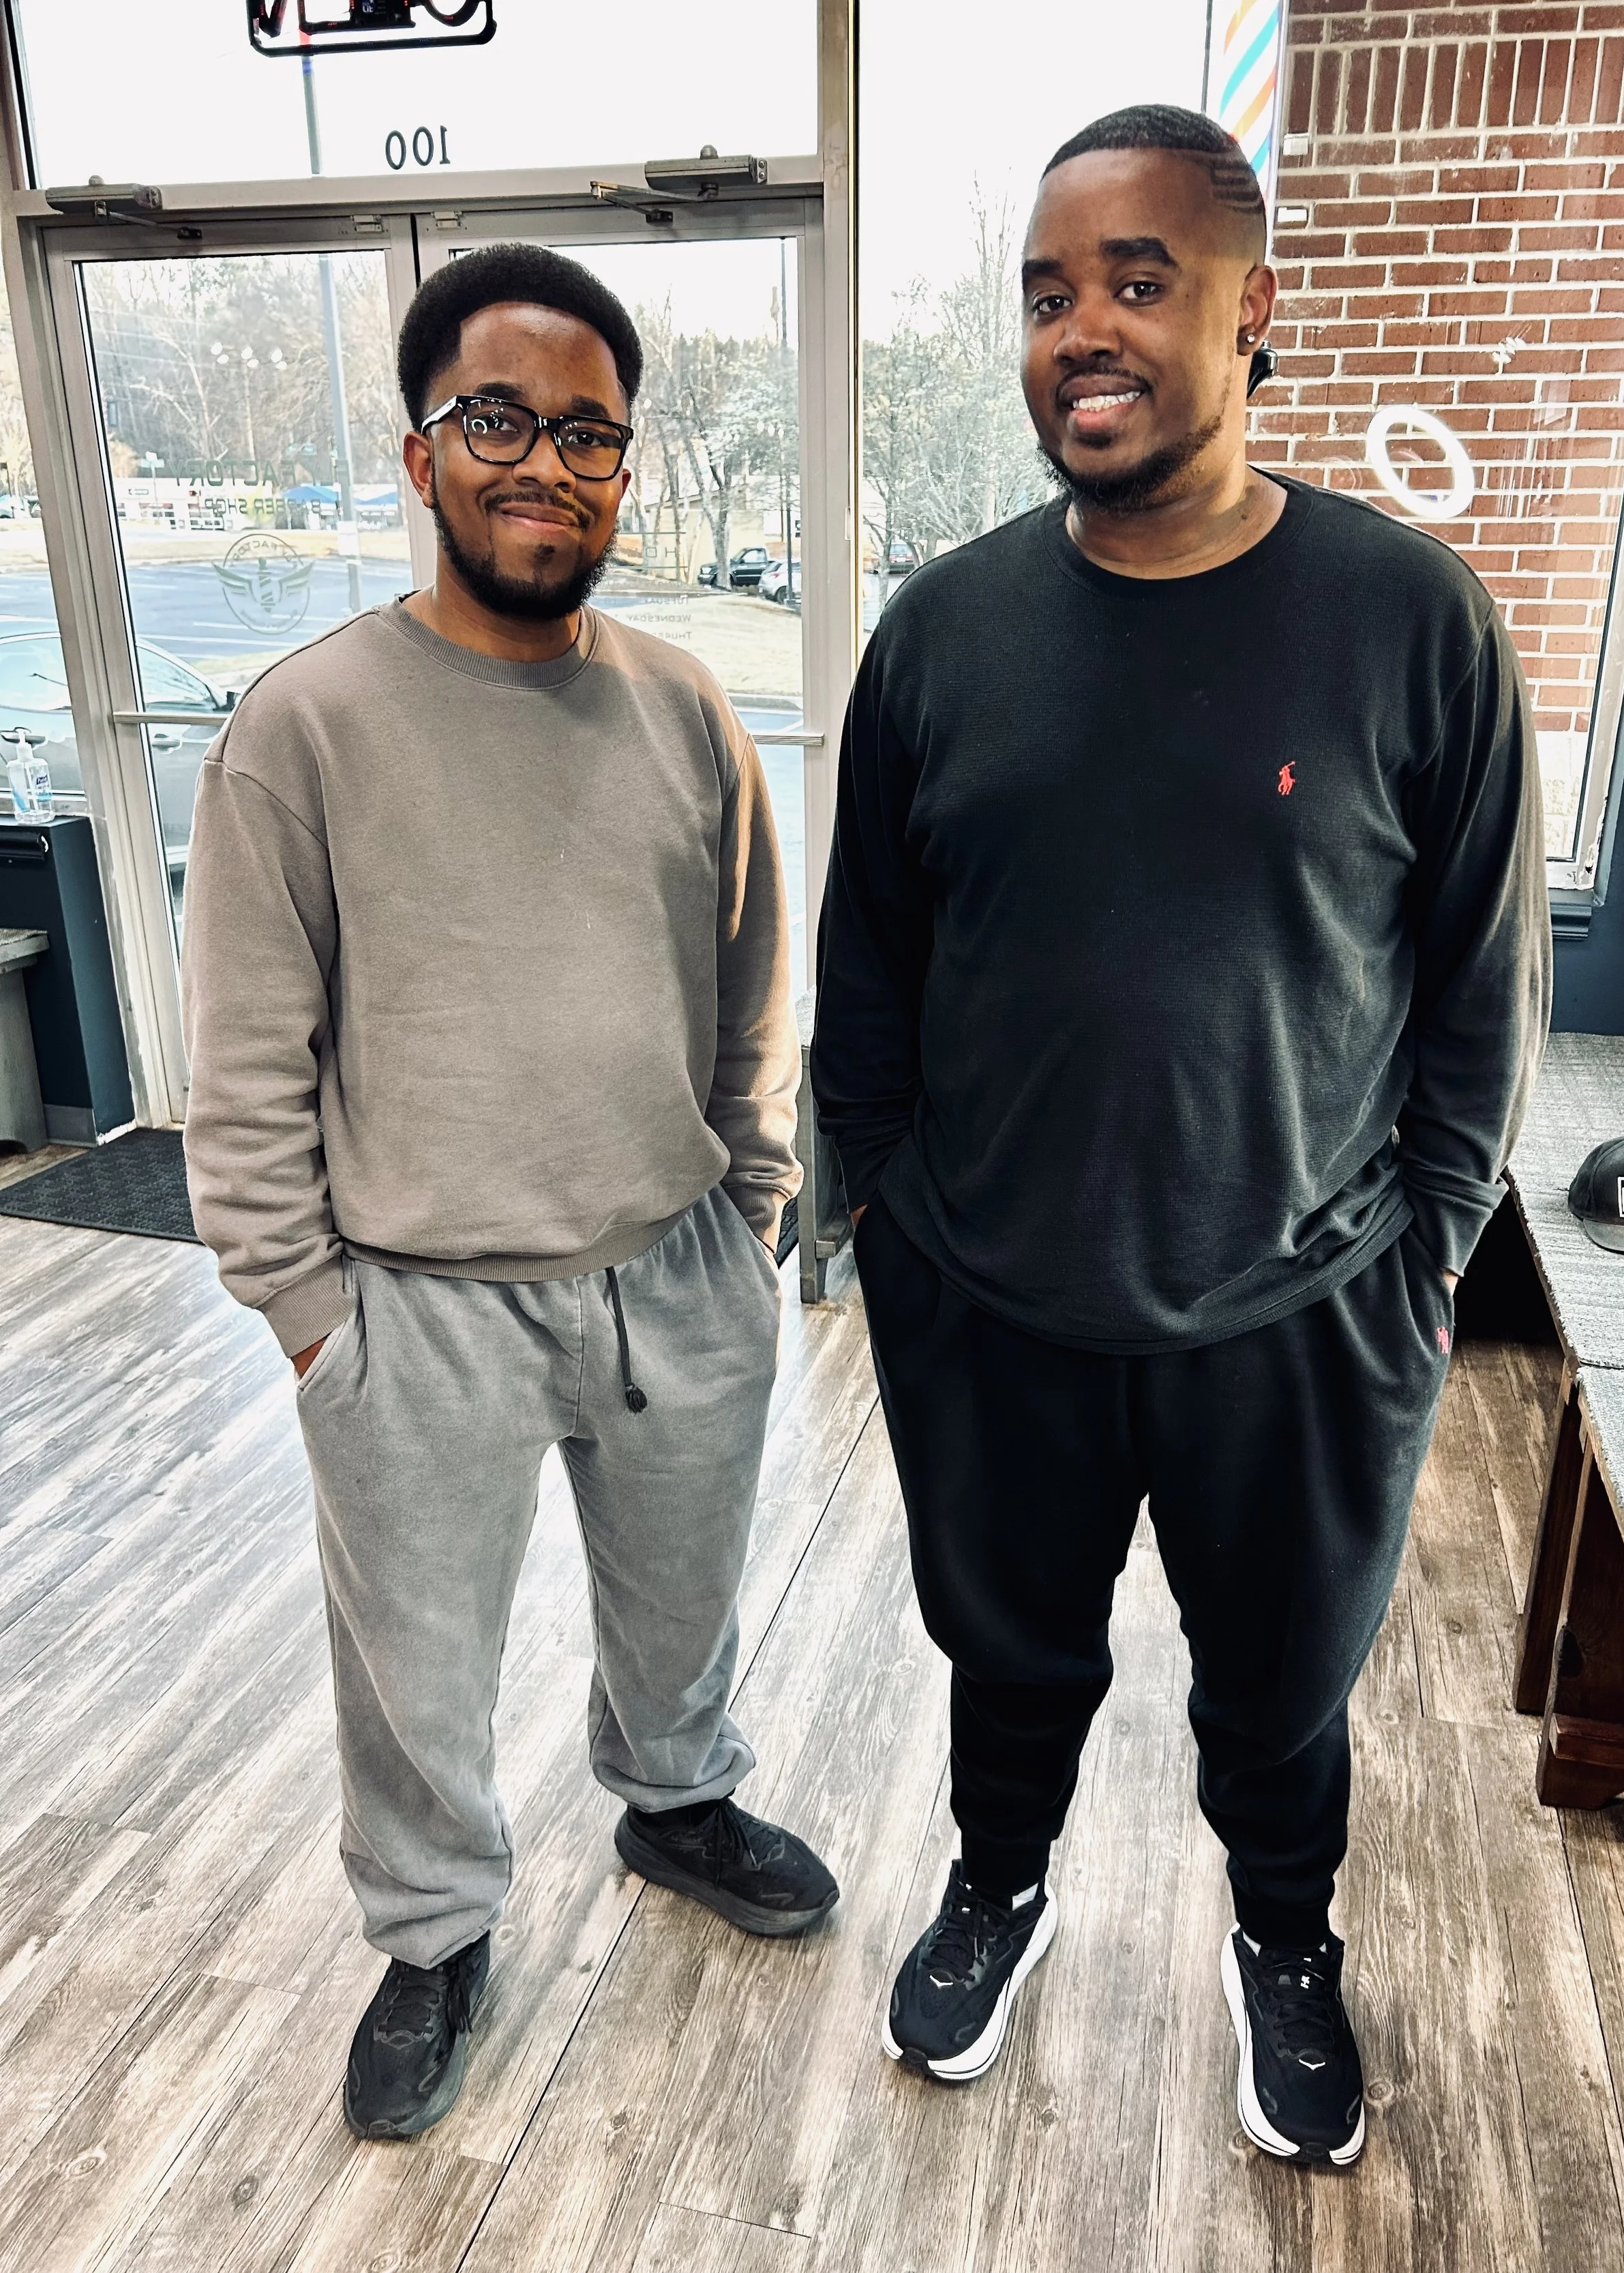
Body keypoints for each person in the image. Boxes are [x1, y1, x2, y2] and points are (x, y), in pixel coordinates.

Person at [813, 107, 1549, 2166]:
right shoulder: (943, 635)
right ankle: (997, 1886)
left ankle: (1285, 1941)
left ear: (1251, 313)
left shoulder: (1408, 618)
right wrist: (888, 1223)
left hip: (1301, 1304)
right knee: (1005, 1654)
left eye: (1138, 281)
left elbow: (1480, 995)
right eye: (1048, 291)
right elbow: (867, 968)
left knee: (1281, 1687)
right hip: (992, 1293)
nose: (1083, 330)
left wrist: (1417, 1262)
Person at [182, 243, 837, 2143]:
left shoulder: (688, 714)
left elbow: (750, 988)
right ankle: (435, 1928)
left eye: (587, 431)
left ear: (623, 464)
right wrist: (307, 1314)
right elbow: (244, 1068)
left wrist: (752, 1207)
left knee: (682, 1603)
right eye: (495, 419)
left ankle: (676, 1799)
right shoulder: (304, 730)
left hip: (670, 1270)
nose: (543, 462)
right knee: (414, 1668)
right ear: (419, 454)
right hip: (415, 1305)